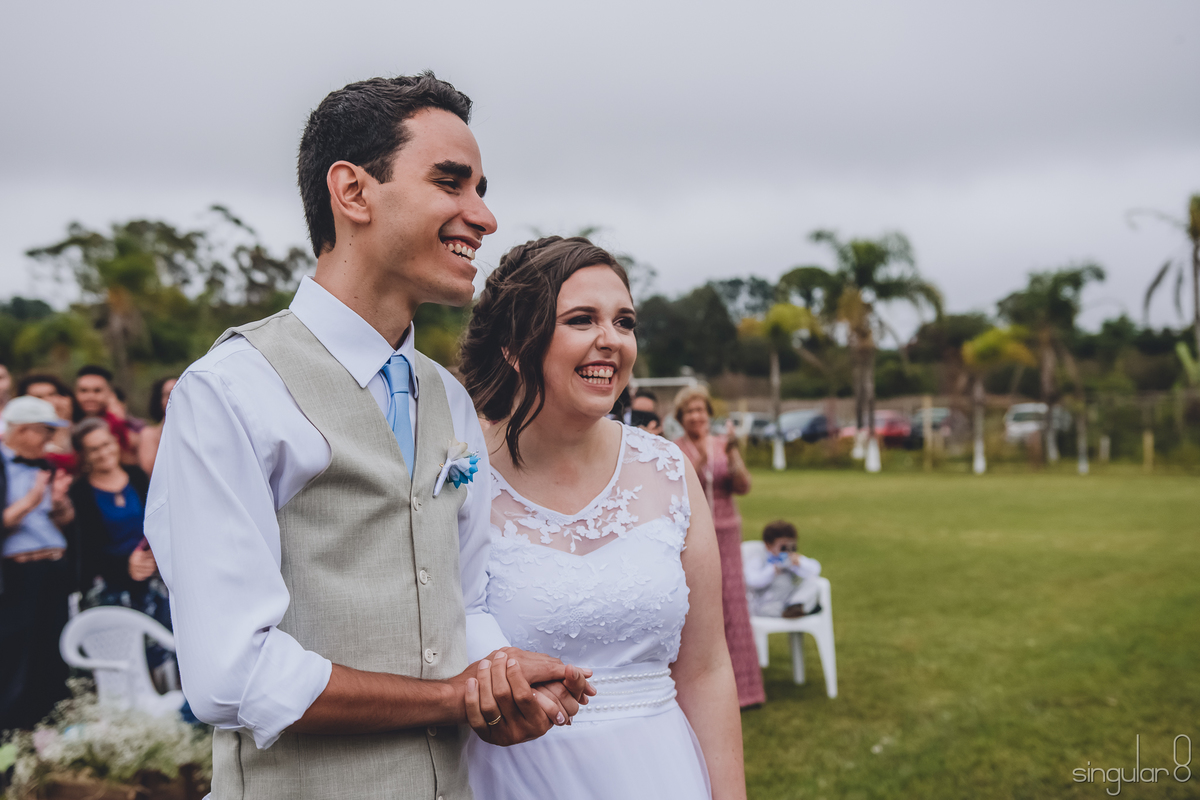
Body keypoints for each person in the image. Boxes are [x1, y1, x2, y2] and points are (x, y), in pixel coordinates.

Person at [145, 74, 589, 799]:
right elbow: (234, 673)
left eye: (481, 188)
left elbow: (464, 603)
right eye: (453, 183)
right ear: (352, 191)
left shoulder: (447, 396)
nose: (484, 216)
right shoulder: (230, 389)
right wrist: (450, 702)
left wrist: (502, 675)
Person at [459, 236, 747, 800]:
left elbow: (707, 667)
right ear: (517, 343)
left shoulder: (669, 471)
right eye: (582, 319)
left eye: (624, 321)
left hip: (661, 772)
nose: (610, 341)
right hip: (516, 778)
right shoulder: (457, 475)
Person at [673, 385, 765, 708]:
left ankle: (746, 689)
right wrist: (697, 458)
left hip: (726, 529)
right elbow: (685, 487)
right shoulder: (676, 449)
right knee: (700, 605)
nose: (696, 416)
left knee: (732, 601)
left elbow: (743, 485)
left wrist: (735, 452)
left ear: (709, 414)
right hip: (693, 533)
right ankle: (700, 687)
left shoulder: (723, 445)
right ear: (680, 418)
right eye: (689, 411)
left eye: (700, 410)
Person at [0, 396, 75, 732]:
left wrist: (58, 503)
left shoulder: (45, 465)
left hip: (54, 569)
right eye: (44, 431)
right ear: (23, 431)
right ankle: (11, 734)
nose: (48, 440)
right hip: (18, 575)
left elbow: (65, 520)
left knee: (52, 654)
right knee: (17, 655)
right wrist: (29, 502)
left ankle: (47, 732)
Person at [744, 520, 822, 618]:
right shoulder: (759, 556)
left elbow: (815, 570)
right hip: (768, 603)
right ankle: (805, 609)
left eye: (793, 547)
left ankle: (795, 607)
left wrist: (800, 563)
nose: (788, 551)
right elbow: (752, 580)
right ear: (768, 545)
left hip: (789, 599)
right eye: (783, 548)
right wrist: (773, 570)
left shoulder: (792, 558)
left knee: (812, 584)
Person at [74, 366, 139, 466]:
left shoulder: (117, 424)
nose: (90, 396)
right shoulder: (67, 420)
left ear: (109, 394)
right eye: (84, 390)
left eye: (97, 391)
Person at [18, 374, 81, 474]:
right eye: (38, 397)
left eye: (52, 394)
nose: (48, 401)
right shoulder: (20, 436)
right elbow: (59, 463)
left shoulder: (77, 429)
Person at [137, 376, 177, 475]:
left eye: (178, 393)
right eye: (168, 394)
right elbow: (149, 470)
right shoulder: (148, 434)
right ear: (160, 400)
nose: (174, 398)